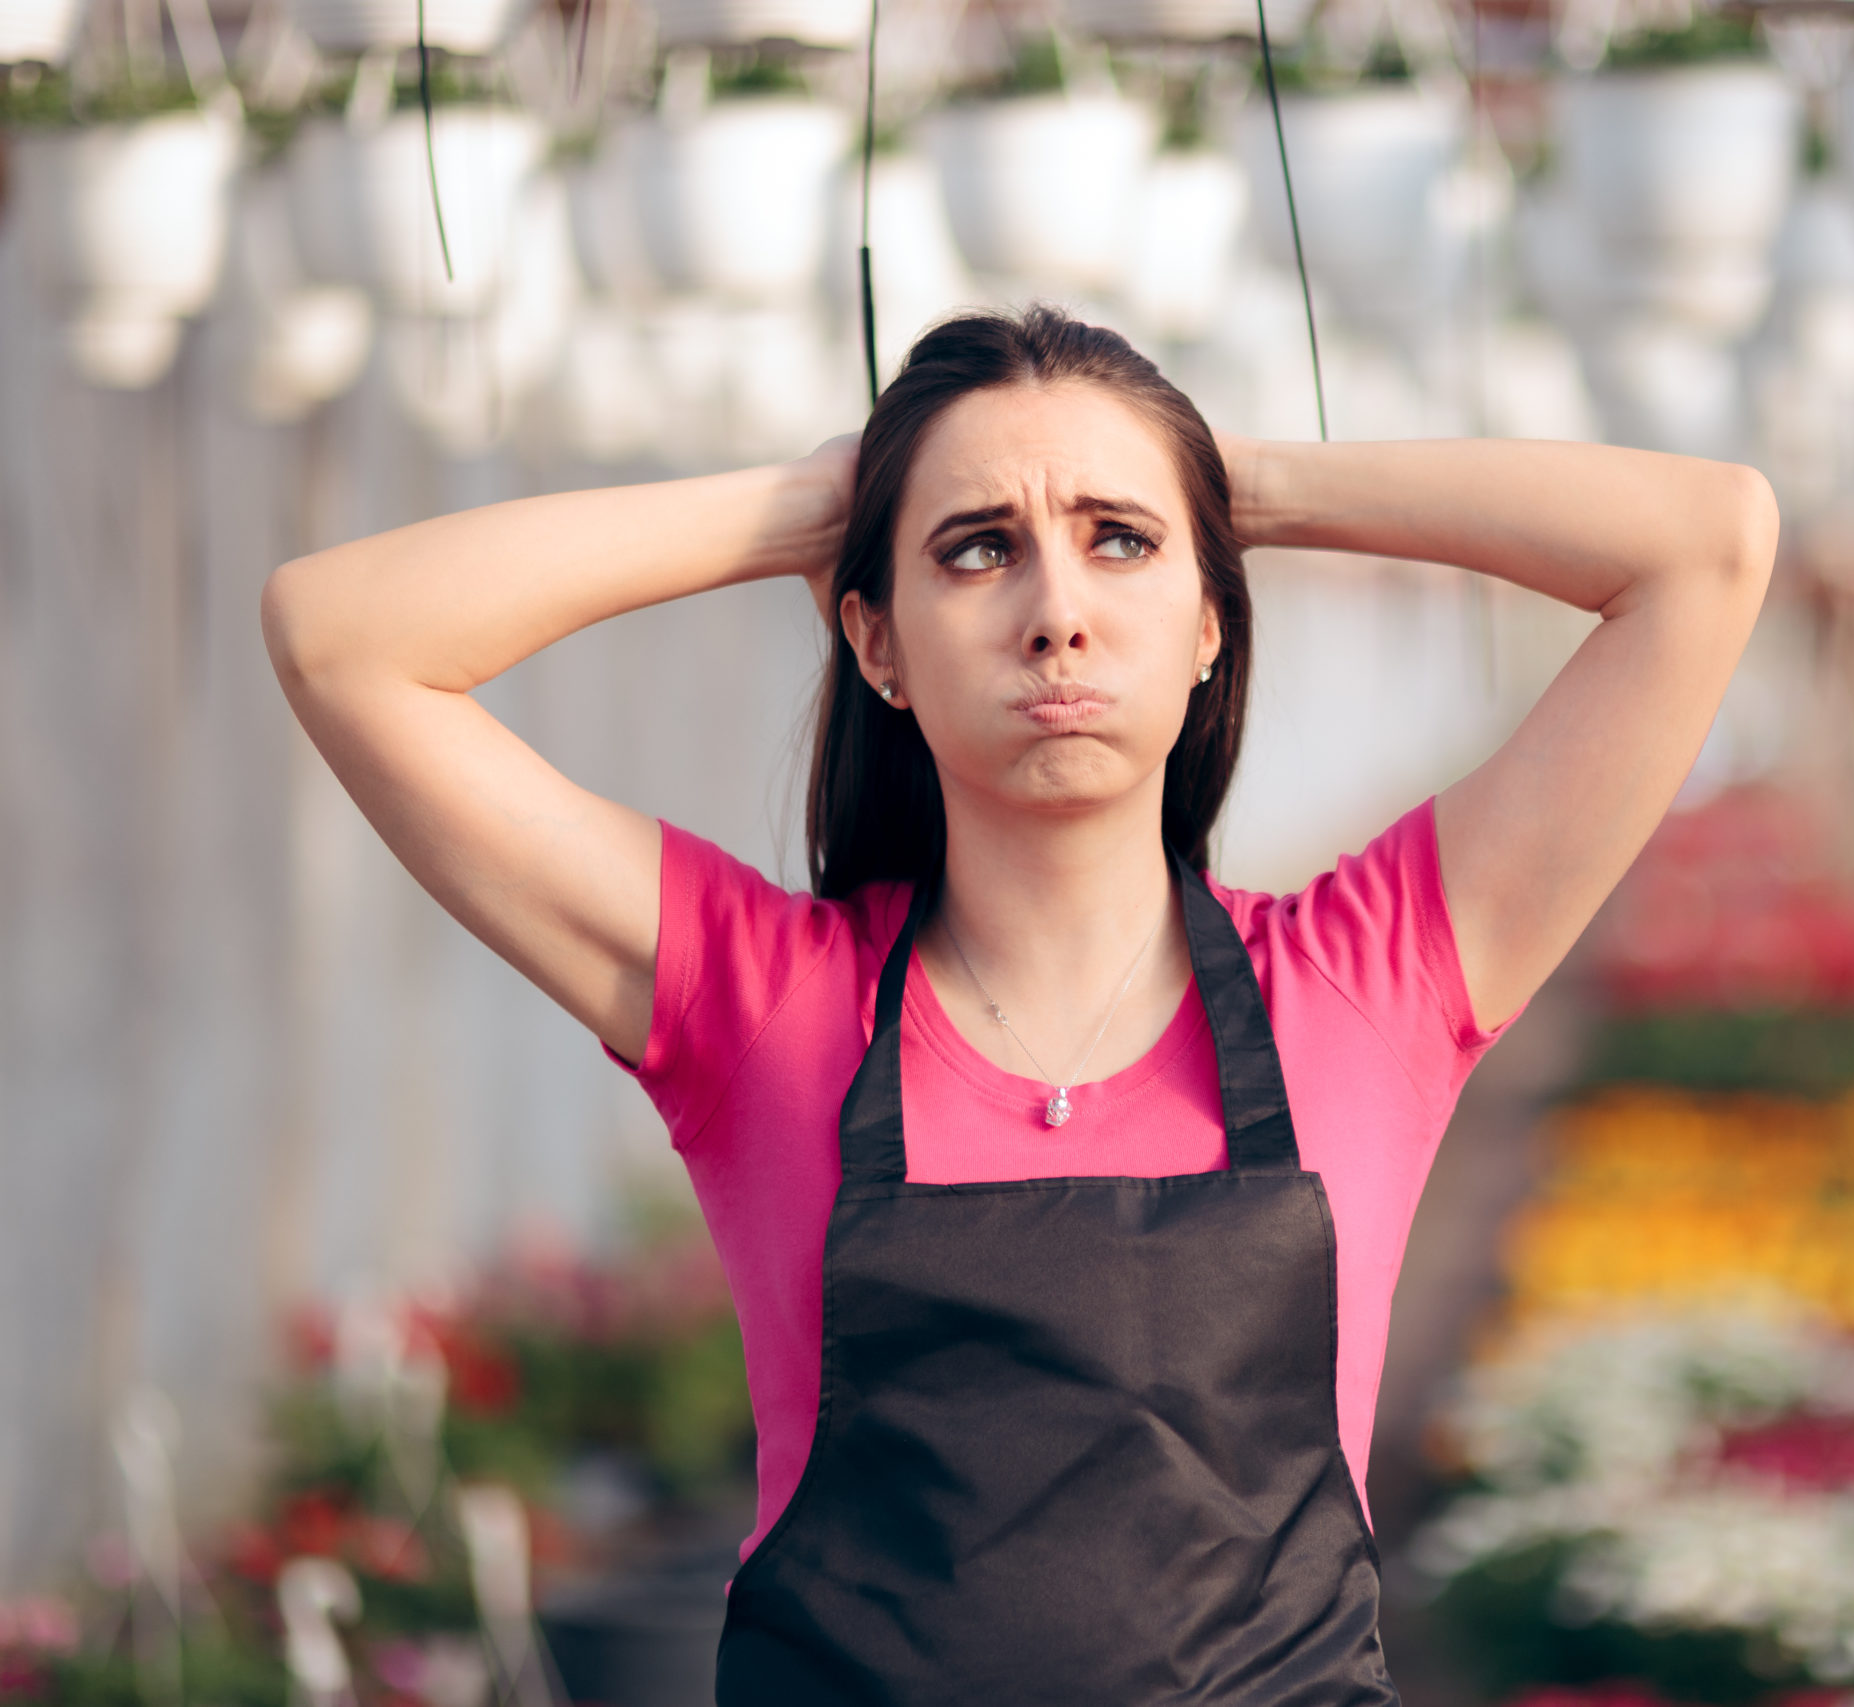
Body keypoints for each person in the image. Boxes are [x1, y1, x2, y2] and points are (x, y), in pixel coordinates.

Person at [262, 306, 1777, 1704]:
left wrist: (1248, 480)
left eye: (1120, 543)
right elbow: (345, 636)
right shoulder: (763, 1003)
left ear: (1210, 625)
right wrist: (806, 508)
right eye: (978, 551)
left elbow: (1708, 545)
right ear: (876, 643)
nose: (1057, 610)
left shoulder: (1367, 980)